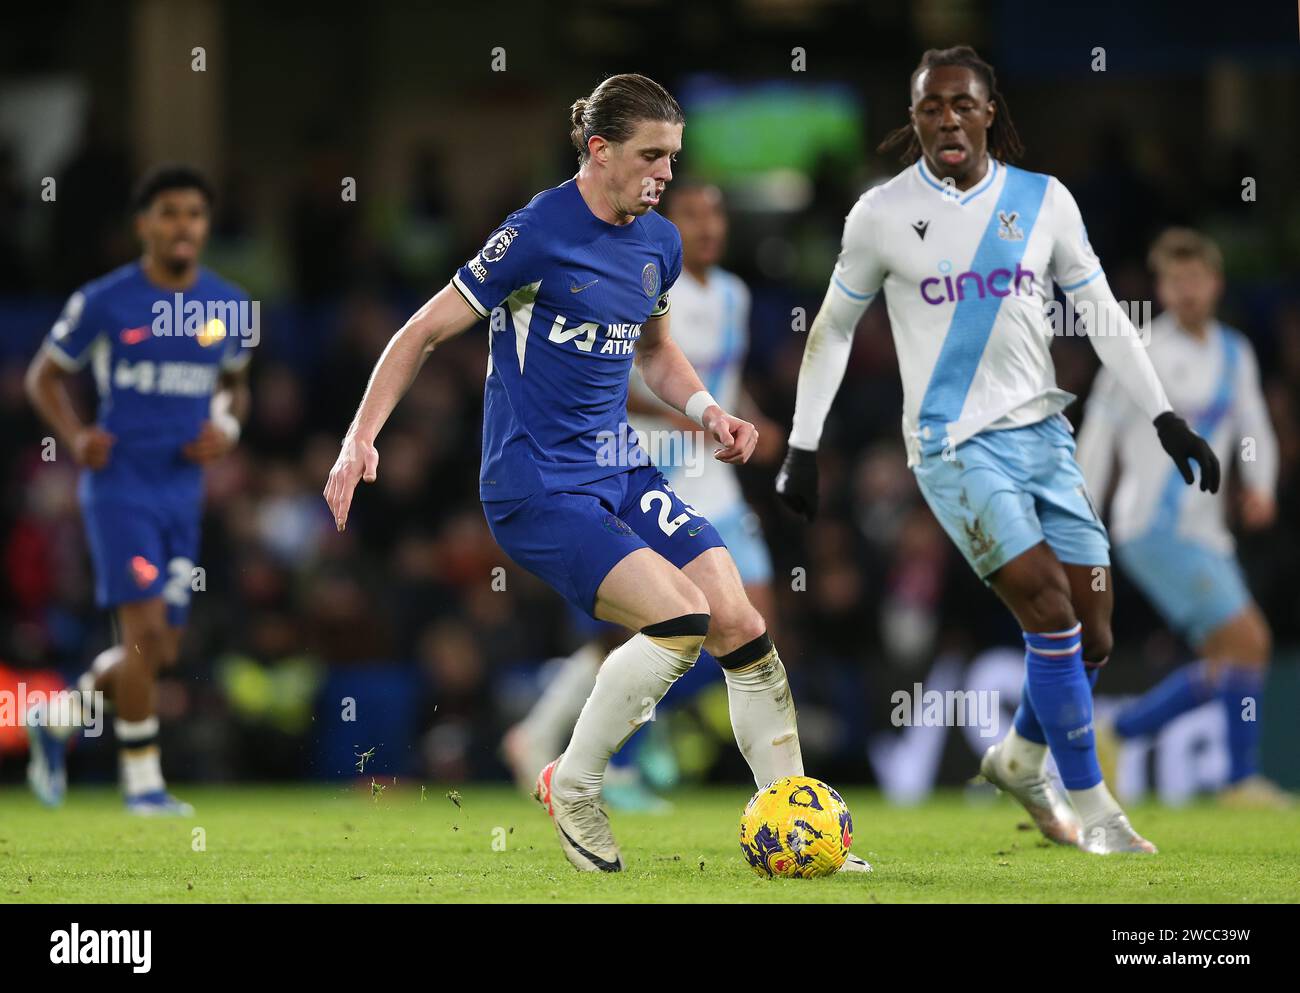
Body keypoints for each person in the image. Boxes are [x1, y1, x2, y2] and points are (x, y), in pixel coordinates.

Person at [324, 75, 861, 874]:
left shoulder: (659, 244)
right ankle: (574, 780)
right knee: (679, 618)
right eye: (650, 157)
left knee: (741, 624)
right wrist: (360, 436)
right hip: (534, 484)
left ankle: (796, 831)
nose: (665, 176)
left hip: (620, 468)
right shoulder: (537, 231)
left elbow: (654, 353)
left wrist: (709, 410)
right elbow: (422, 330)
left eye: (673, 159)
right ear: (599, 151)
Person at [775, 46, 1220, 854]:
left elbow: (1105, 317)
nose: (947, 118)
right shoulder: (880, 214)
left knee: (1094, 632)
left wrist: (1166, 418)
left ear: (989, 113)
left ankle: (1019, 756)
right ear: (914, 120)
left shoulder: (1043, 201)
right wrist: (802, 445)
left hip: (1047, 436)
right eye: (930, 107)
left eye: (962, 104)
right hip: (953, 447)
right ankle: (1094, 808)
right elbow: (833, 329)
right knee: (1047, 603)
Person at [500, 182, 782, 813]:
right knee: (658, 625)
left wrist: (746, 418)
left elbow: (721, 378)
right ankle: (589, 750)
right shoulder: (644, 270)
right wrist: (688, 420)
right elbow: (617, 378)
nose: (707, 228)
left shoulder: (735, 294)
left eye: (715, 215)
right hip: (655, 461)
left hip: (718, 474)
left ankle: (617, 739)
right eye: (693, 216)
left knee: (751, 621)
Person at [24, 165, 251, 815]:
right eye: (171, 213)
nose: (185, 225)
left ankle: (59, 715)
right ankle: (143, 784)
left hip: (183, 493)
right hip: (119, 486)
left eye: (196, 214)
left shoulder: (228, 304)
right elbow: (44, 375)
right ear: (144, 225)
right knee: (145, 633)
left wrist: (228, 426)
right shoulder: (105, 298)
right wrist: (73, 434)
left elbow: (238, 382)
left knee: (161, 649)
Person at [1078, 228, 1288, 808]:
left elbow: (1254, 429)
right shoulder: (1139, 351)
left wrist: (1261, 487)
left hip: (1205, 530)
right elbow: (1099, 436)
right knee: (1252, 639)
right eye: (1175, 280)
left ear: (1216, 283)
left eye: (1197, 278)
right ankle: (1238, 780)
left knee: (1230, 658)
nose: (1188, 290)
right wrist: (1081, 515)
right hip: (1152, 525)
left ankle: (1116, 736)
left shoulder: (1234, 353)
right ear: (1162, 288)